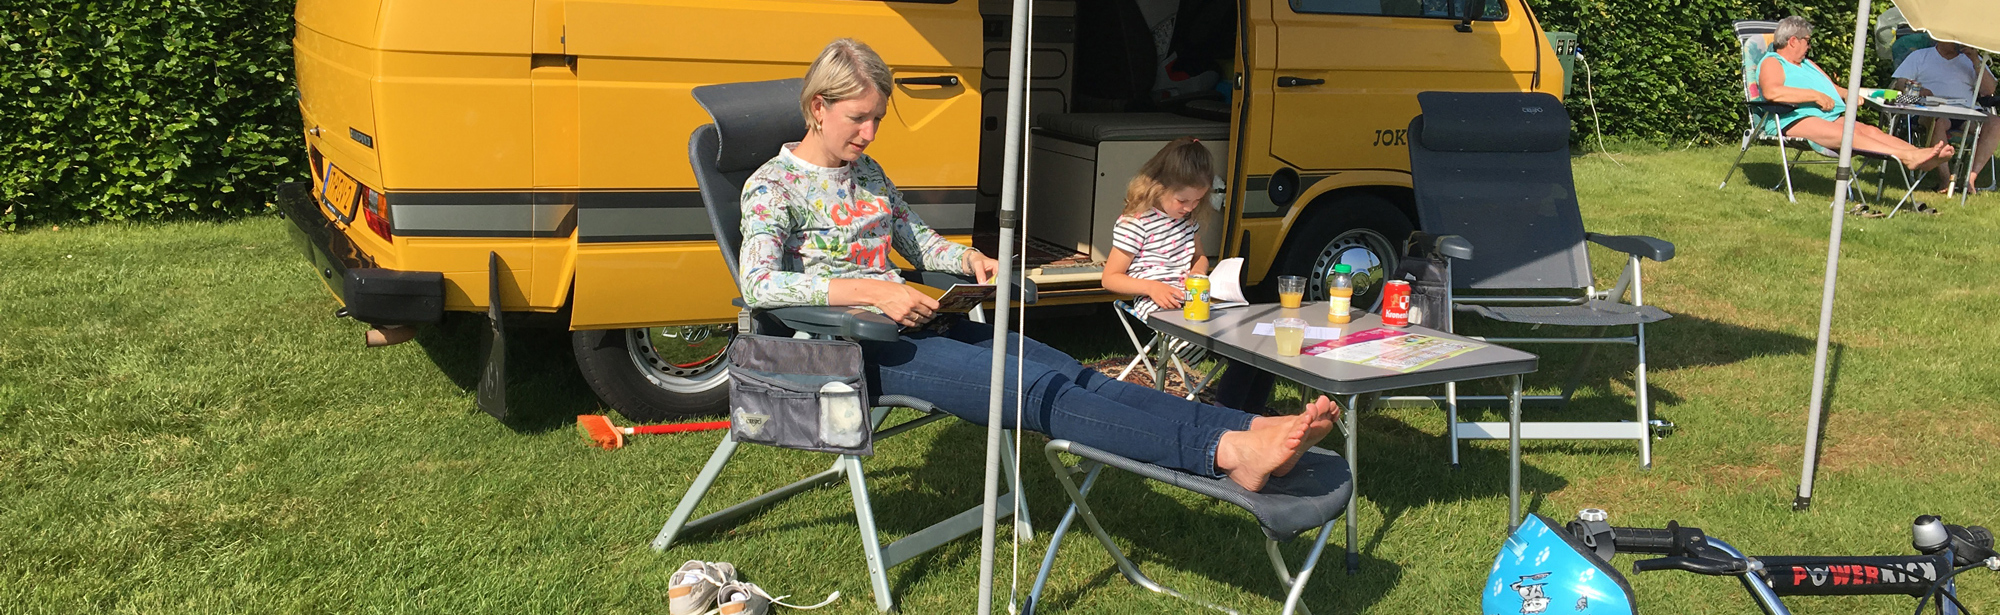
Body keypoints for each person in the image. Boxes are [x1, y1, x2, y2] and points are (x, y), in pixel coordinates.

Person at [737, 38, 1336, 491]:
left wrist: (971, 259)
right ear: (819, 106)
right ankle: (1227, 454)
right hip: (852, 346)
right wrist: (872, 293)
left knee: (1074, 373)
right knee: (1041, 393)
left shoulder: (867, 175)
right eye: (857, 118)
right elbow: (759, 284)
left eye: (877, 120)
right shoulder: (773, 186)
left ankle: (1240, 427)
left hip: (920, 323)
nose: (869, 133)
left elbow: (917, 243)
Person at [1100, 137, 1277, 413]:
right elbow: (1110, 277)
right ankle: (1225, 417)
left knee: (1259, 343)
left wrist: (1198, 271)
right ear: (1158, 186)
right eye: (1183, 200)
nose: (1190, 207)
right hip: (1158, 302)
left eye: (1197, 200)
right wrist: (1152, 288)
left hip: (1193, 297)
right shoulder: (1135, 223)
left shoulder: (1186, 221)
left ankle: (1250, 413)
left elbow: (1200, 257)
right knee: (1236, 349)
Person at [1757, 16, 1953, 172]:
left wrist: (1853, 94)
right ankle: (1908, 158)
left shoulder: (1807, 64)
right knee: (1849, 135)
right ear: (1793, 41)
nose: (1809, 46)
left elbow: (1831, 88)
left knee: (1869, 131)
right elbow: (1772, 91)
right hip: (1791, 118)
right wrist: (1814, 96)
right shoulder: (1773, 62)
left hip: (1824, 116)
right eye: (1807, 41)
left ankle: (1921, 155)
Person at [1891, 40, 1998, 193]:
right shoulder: (1920, 56)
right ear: (1940, 39)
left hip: (1966, 110)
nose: (1956, 43)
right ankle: (1946, 179)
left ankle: (1970, 178)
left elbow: (1989, 90)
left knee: (1995, 123)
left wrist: (1975, 60)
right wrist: (1919, 89)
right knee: (1938, 121)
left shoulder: (1971, 60)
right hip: (1932, 109)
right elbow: (1899, 82)